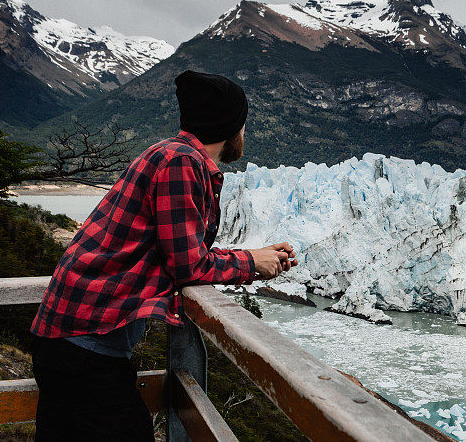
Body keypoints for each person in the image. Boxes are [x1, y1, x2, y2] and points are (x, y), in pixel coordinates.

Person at [29, 70, 296, 441]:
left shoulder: (170, 153)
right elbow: (189, 266)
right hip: (86, 343)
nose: (244, 134)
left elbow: (181, 247)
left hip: (73, 338)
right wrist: (251, 264)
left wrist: (254, 254)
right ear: (230, 126)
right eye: (244, 124)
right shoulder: (181, 163)